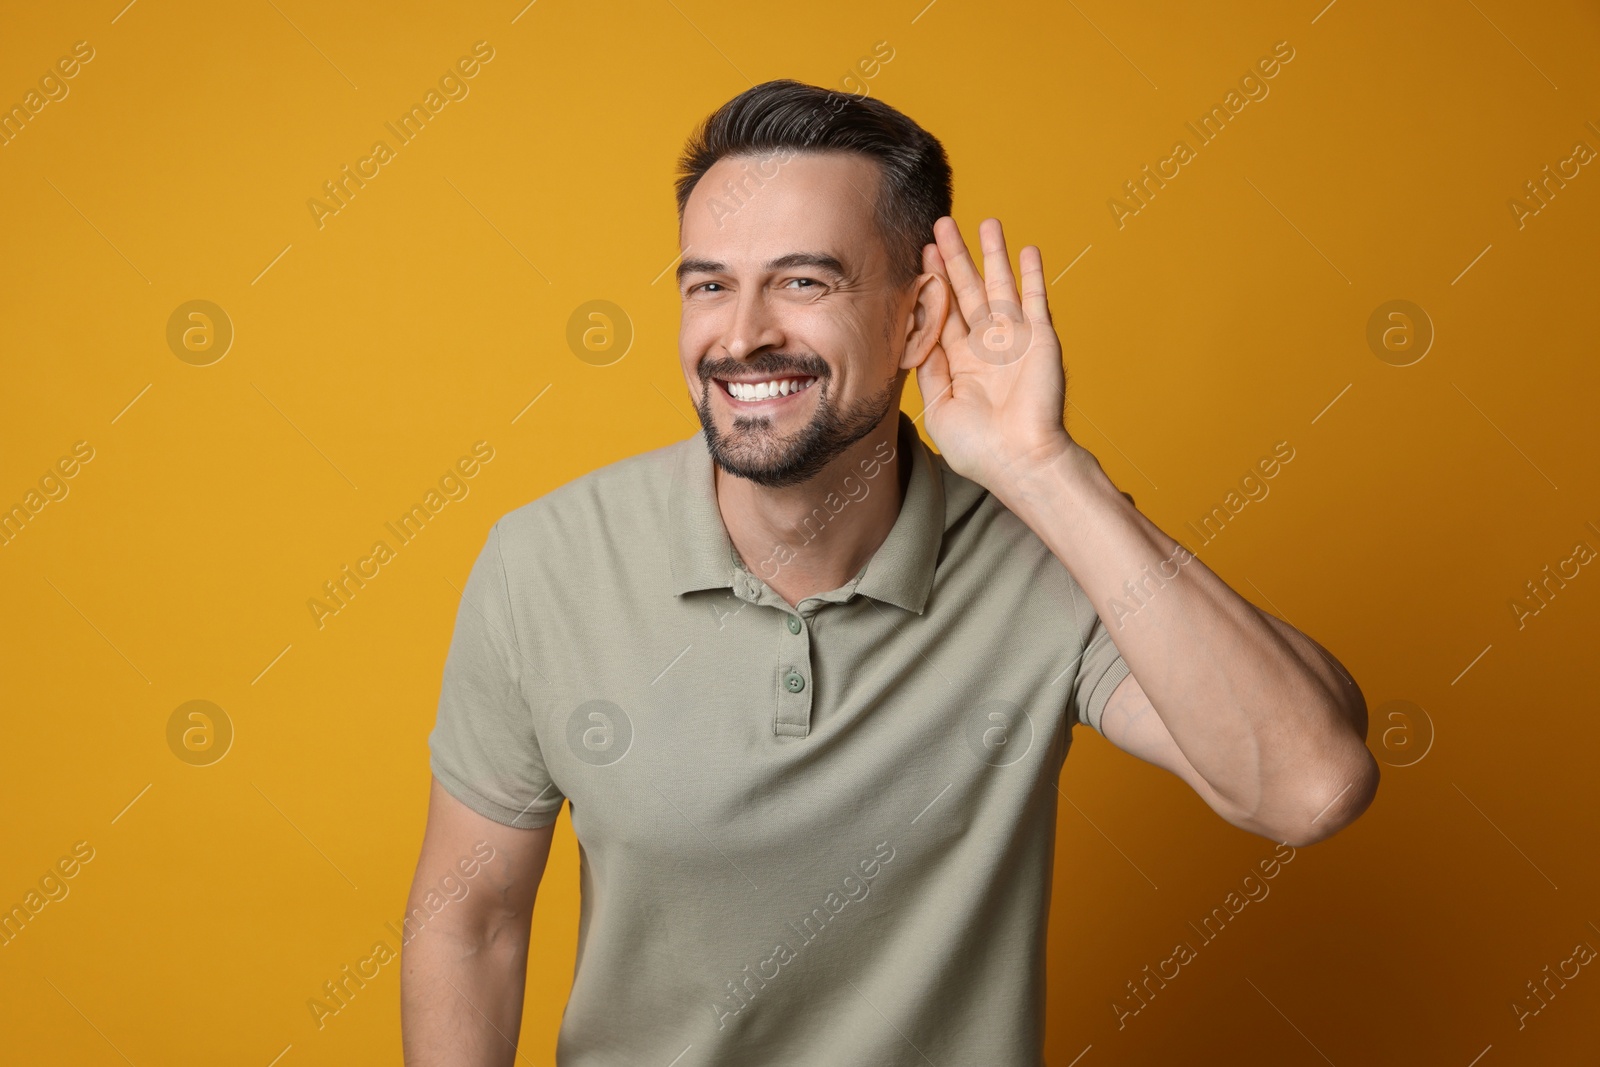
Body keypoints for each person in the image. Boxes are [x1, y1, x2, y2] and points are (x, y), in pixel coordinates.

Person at [400, 78, 1377, 1066]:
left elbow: (1308, 786)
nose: (740, 335)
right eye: (708, 284)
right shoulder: (547, 560)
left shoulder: (1038, 553)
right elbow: (469, 918)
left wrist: (1045, 470)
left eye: (804, 281)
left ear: (916, 322)